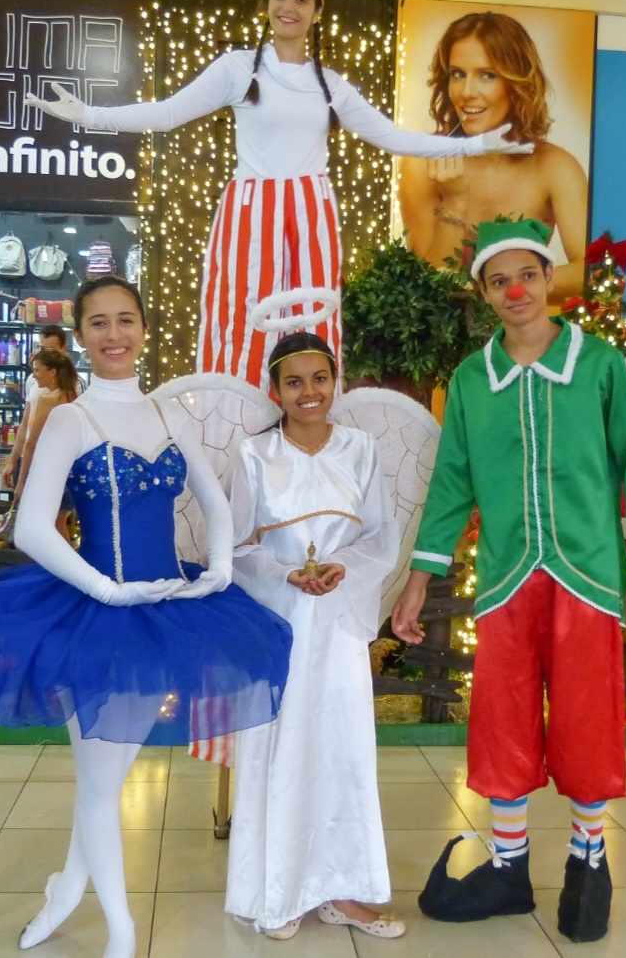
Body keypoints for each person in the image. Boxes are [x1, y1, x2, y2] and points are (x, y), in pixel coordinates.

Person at [0, 276, 292, 958]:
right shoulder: (70, 419)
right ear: (81, 333)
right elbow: (32, 529)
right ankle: (120, 932)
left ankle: (66, 887)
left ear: (144, 328)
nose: (114, 334)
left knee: (108, 774)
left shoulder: (170, 413)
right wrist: (106, 590)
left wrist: (214, 568)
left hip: (164, 611)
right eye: (98, 322)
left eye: (126, 319)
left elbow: (215, 504)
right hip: (93, 614)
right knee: (99, 781)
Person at [23, 0, 531, 387]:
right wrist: (85, 114)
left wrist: (474, 145)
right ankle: (233, 420)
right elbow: (166, 112)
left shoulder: (330, 84)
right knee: (238, 317)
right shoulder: (238, 68)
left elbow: (394, 137)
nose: (289, 5)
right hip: (250, 208)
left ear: (316, 10)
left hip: (310, 209)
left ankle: (307, 413)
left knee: (312, 319)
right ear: (268, 1)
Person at [390, 217, 626, 943]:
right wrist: (422, 573)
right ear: (483, 292)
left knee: (586, 716)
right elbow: (450, 484)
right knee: (501, 717)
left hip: (586, 576)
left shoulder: (600, 366)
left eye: (527, 274)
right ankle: (509, 864)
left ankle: (588, 860)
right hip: (508, 576)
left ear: (548, 280)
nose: (515, 289)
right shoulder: (470, 380)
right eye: (498, 279)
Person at [225, 332, 403, 941]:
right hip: (279, 624)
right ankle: (280, 891)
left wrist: (340, 568)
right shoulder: (253, 455)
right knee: (283, 748)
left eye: (320, 379)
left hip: (339, 624)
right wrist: (285, 575)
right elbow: (237, 545)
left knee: (342, 749)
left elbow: (380, 534)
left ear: (335, 382)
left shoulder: (361, 449)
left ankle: (343, 889)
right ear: (275, 390)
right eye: (294, 382)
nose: (309, 392)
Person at [398, 11, 588, 301]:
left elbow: (592, 272)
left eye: (487, 75)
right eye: (457, 75)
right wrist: (454, 201)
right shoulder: (421, 163)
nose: (467, 92)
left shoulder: (555, 167)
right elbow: (427, 291)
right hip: (442, 342)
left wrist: (498, 288)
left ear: (516, 83)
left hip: (521, 336)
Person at [5, 326, 73, 490]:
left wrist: (22, 482)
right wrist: (13, 460)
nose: (44, 354)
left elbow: (32, 443)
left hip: (48, 465)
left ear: (63, 349)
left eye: (50, 350)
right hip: (43, 463)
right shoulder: (33, 382)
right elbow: (25, 424)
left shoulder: (71, 388)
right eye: (41, 348)